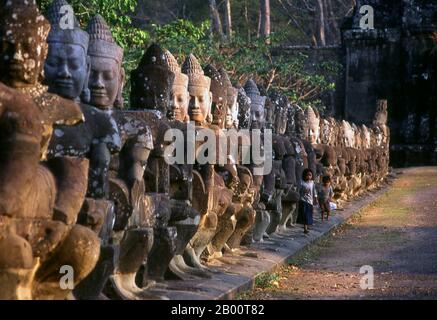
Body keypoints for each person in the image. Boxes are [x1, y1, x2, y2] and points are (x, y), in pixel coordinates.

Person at [297, 169, 318, 234]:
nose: (309, 176)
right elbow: (298, 191)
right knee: (305, 214)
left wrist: (316, 198)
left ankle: (307, 225)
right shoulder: (301, 182)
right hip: (303, 200)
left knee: (309, 214)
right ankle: (305, 228)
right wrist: (303, 192)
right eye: (307, 175)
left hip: (310, 201)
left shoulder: (312, 183)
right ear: (304, 175)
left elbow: (314, 191)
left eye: (310, 175)